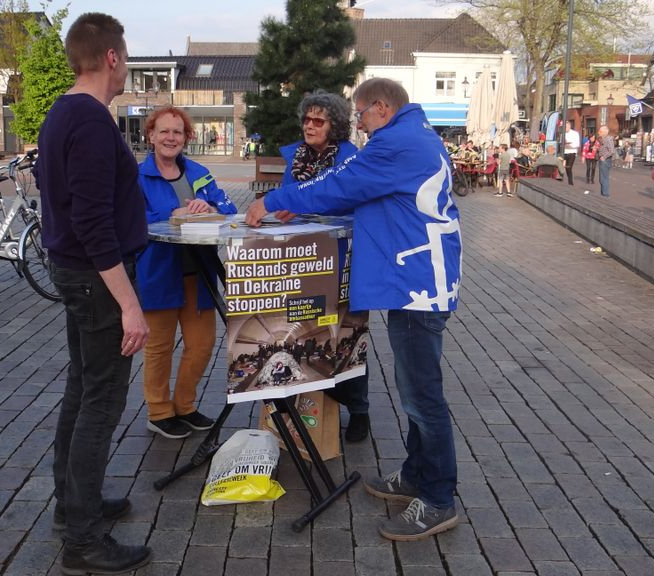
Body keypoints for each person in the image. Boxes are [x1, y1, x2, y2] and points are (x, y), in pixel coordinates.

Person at [245, 77, 461, 542]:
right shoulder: (414, 134)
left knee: (422, 396)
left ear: (381, 107)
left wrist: (272, 200)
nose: (358, 124)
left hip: (418, 285)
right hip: (416, 279)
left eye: (360, 114)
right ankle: (417, 474)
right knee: (414, 391)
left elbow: (339, 186)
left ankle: (439, 498)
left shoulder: (395, 142)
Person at [34, 13, 152, 574]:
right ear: (111, 57)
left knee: (82, 390)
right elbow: (92, 220)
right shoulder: (89, 120)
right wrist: (130, 305)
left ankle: (72, 505)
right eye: (125, 58)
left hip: (76, 272)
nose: (126, 68)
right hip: (96, 278)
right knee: (101, 402)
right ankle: (82, 539)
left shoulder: (63, 112)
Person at [135, 106, 237, 440]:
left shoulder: (198, 172)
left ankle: (185, 405)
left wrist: (211, 206)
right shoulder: (138, 176)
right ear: (151, 135)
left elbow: (229, 207)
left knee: (202, 345)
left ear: (186, 137)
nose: (170, 138)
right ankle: (159, 412)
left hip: (199, 274)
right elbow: (131, 219)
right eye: (164, 131)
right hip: (160, 272)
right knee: (159, 347)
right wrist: (173, 212)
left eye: (177, 132)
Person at [279, 89, 371, 442]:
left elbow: (342, 197)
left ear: (335, 126)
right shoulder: (297, 157)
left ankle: (358, 410)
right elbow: (289, 198)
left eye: (319, 120)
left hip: (342, 257)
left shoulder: (349, 158)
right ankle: (310, 402)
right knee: (308, 331)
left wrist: (299, 205)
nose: (310, 126)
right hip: (304, 257)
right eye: (307, 119)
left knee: (347, 333)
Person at [597, 125, 615, 197]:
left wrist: (604, 157)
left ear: (605, 132)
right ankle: (603, 194)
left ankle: (605, 195)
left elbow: (611, 150)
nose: (599, 132)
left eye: (600, 131)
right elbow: (605, 149)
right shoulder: (603, 139)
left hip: (605, 161)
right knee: (601, 178)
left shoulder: (608, 139)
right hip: (602, 160)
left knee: (603, 178)